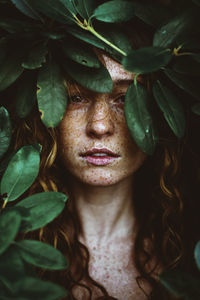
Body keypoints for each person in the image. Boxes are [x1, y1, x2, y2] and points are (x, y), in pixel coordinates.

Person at [4, 4, 200, 300]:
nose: (99, 125)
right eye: (77, 96)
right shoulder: (8, 252)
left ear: (162, 111)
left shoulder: (188, 252)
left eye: (125, 98)